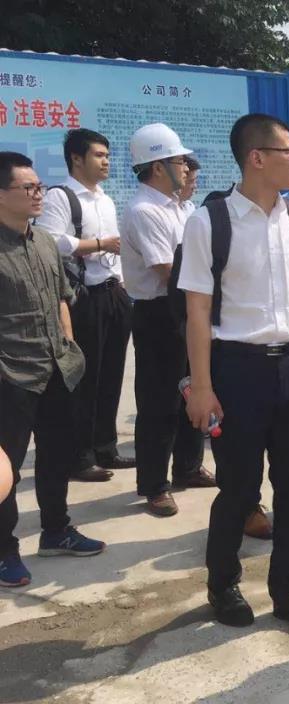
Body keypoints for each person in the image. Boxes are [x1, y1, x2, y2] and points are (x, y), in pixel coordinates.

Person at [180, 113, 289, 638]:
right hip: (237, 370)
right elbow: (198, 311)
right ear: (257, 158)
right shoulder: (210, 222)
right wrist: (202, 387)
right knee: (240, 487)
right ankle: (223, 584)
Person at [0, 151, 106, 589]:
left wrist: (69, 346)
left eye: (39, 186)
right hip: (10, 375)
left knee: (57, 455)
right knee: (6, 469)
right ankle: (4, 550)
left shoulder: (44, 240)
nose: (38, 194)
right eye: (28, 187)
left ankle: (56, 530)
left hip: (57, 368)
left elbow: (62, 296)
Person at [121, 123, 216, 517]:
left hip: (188, 307)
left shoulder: (183, 208)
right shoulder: (144, 211)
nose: (186, 167)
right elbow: (166, 271)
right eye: (179, 161)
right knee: (159, 400)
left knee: (194, 389)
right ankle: (154, 485)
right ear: (158, 167)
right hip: (159, 313)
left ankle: (188, 467)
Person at [36, 128, 131, 483]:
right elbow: (51, 240)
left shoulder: (105, 200)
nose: (106, 162)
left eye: (107, 155)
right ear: (76, 159)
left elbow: (115, 250)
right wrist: (99, 244)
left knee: (111, 374)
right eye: (98, 155)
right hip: (84, 297)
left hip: (113, 293)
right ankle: (80, 456)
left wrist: (121, 283)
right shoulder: (60, 196)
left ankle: (106, 447)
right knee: (84, 378)